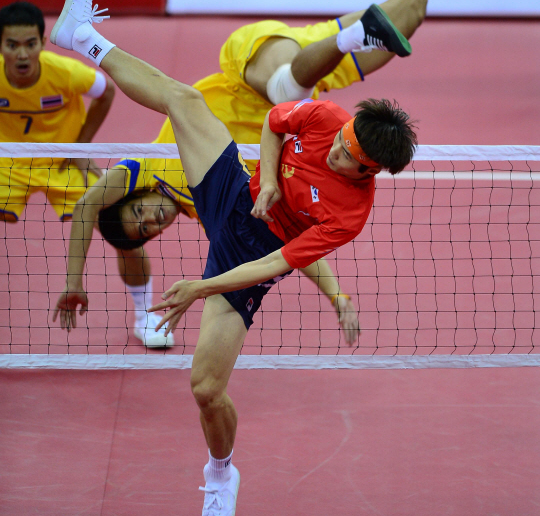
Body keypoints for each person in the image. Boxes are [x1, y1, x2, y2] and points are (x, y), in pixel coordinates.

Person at [52, 0, 502, 516]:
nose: (339, 151)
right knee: (225, 94)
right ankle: (81, 35)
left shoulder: (348, 211)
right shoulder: (327, 118)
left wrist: (205, 287)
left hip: (247, 247)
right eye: (343, 140)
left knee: (408, 11)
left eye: (350, 157)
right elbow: (276, 118)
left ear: (372, 171)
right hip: (256, 89)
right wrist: (264, 182)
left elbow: (276, 263)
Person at [56, 115, 363, 349]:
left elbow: (87, 206)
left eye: (139, 212)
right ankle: (144, 315)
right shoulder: (212, 209)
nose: (151, 219)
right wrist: (337, 296)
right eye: (146, 230)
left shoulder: (147, 166)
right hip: (277, 135)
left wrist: (73, 282)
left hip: (244, 100)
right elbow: (294, 248)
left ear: (137, 194)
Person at [0, 1, 115, 223]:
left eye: (30, 44)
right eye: (12, 46)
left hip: (63, 160)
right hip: (7, 163)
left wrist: (81, 147)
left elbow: (107, 90)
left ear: (42, 43)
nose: (22, 55)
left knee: (115, 221)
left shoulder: (67, 73)